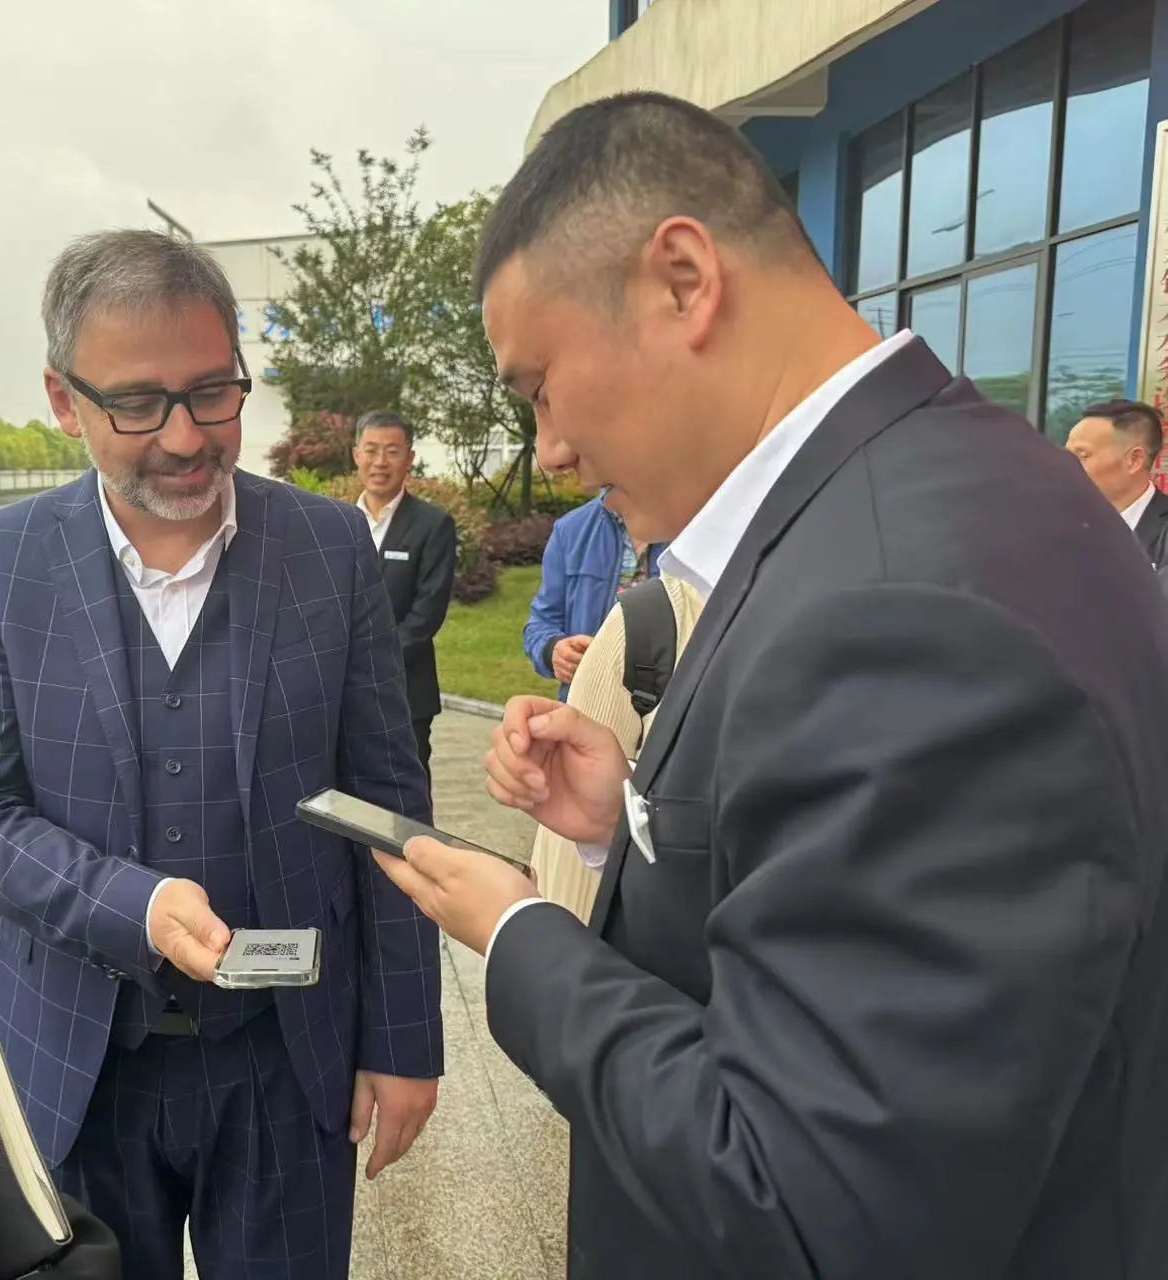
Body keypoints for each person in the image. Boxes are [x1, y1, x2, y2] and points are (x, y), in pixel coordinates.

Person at [374, 92, 1168, 1279]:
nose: (549, 450)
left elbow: (810, 1201)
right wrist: (635, 825)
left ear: (682, 280)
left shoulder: (899, 600)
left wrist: (519, 934)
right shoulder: (930, 491)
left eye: (538, 386)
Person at [0, 229, 442, 1280]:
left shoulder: (327, 547)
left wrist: (403, 1036)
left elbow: (386, 798)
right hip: (74, 1060)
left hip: (285, 1054)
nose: (185, 436)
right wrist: (136, 904)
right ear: (63, 400)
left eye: (212, 392)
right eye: (136, 403)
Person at [529, 574, 702, 923]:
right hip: (591, 698)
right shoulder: (574, 542)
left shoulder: (683, 581)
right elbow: (541, 621)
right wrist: (552, 649)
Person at [351, 409, 457, 781]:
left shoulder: (433, 525)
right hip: (342, 693)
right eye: (371, 450)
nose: (380, 462)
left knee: (404, 790)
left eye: (392, 451)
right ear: (356, 455)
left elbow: (427, 614)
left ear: (409, 458)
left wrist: (371, 662)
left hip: (405, 693)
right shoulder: (337, 522)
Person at [523, 490, 666, 695]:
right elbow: (541, 623)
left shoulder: (690, 526)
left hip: (669, 704)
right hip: (587, 702)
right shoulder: (571, 529)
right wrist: (552, 650)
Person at [1065, 399, 1168, 566]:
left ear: (1134, 460)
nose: (1066, 465)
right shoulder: (1057, 525)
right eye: (1066, 455)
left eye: (1082, 456)